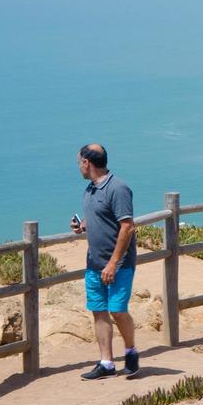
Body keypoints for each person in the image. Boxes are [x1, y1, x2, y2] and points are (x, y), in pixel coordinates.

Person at [69, 144, 139, 379]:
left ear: (87, 163)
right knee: (99, 311)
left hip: (118, 264)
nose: (78, 166)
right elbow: (101, 216)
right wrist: (83, 226)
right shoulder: (90, 190)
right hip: (94, 263)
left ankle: (130, 351)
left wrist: (113, 263)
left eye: (79, 161)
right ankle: (106, 363)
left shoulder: (118, 188)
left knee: (118, 311)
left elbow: (127, 226)